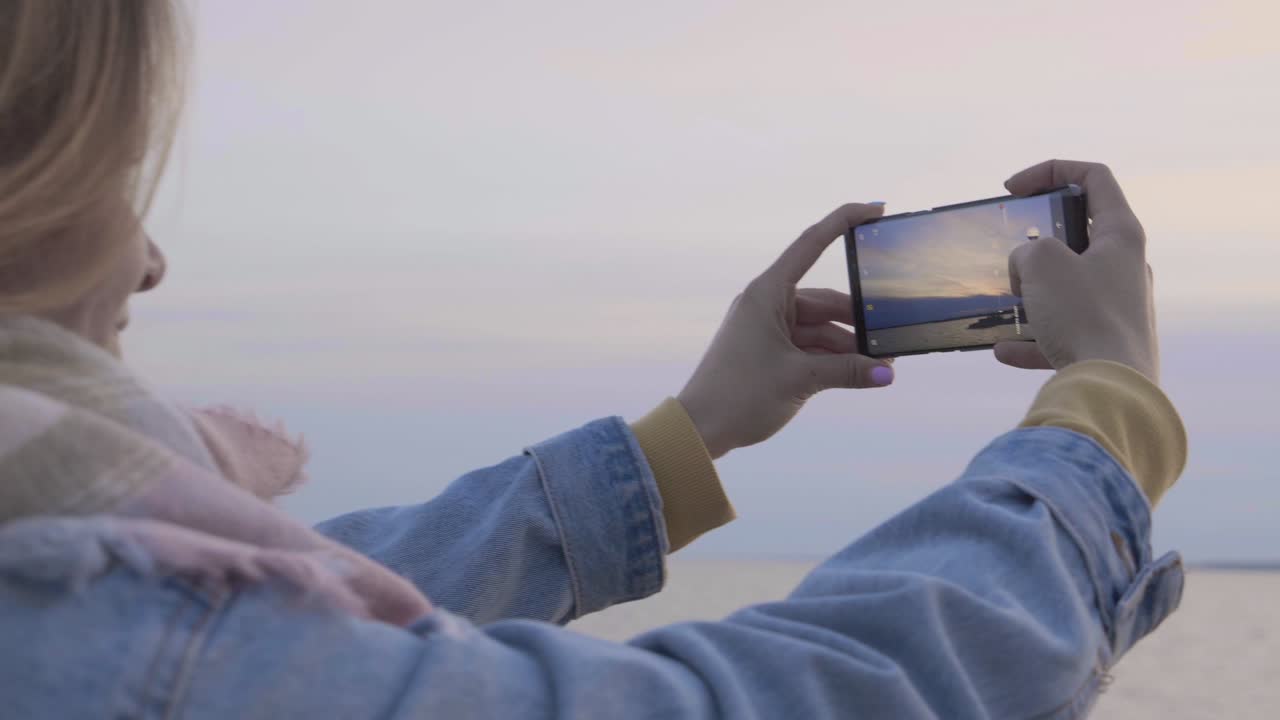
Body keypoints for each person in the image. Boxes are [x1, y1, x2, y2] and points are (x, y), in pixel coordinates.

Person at [0, 2, 1186, 718]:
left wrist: (687, 436)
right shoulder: (101, 642)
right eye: (109, 175)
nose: (147, 259)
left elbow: (323, 594)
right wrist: (1104, 416)